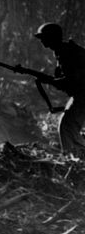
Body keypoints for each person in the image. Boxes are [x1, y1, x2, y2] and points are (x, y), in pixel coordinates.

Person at [34, 22, 85, 154]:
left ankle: (76, 157)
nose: (42, 41)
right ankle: (74, 155)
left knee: (67, 126)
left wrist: (50, 81)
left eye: (44, 38)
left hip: (82, 94)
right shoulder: (63, 51)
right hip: (80, 94)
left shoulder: (66, 53)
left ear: (52, 37)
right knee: (67, 125)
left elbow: (71, 81)